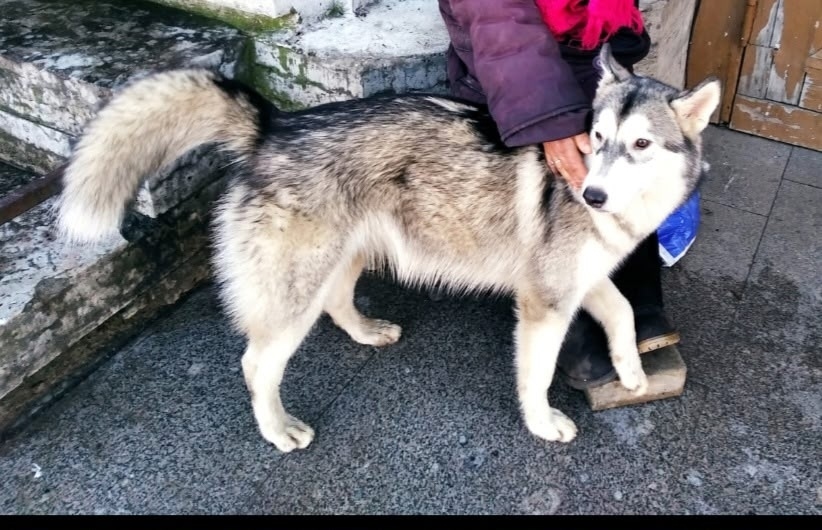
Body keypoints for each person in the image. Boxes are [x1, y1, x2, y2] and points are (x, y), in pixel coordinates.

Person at [437, 0, 680, 389]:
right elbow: (498, 15)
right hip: (513, 68)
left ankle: (634, 297)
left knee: (625, 168)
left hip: (593, 49)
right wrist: (548, 117)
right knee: (552, 199)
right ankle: (561, 295)